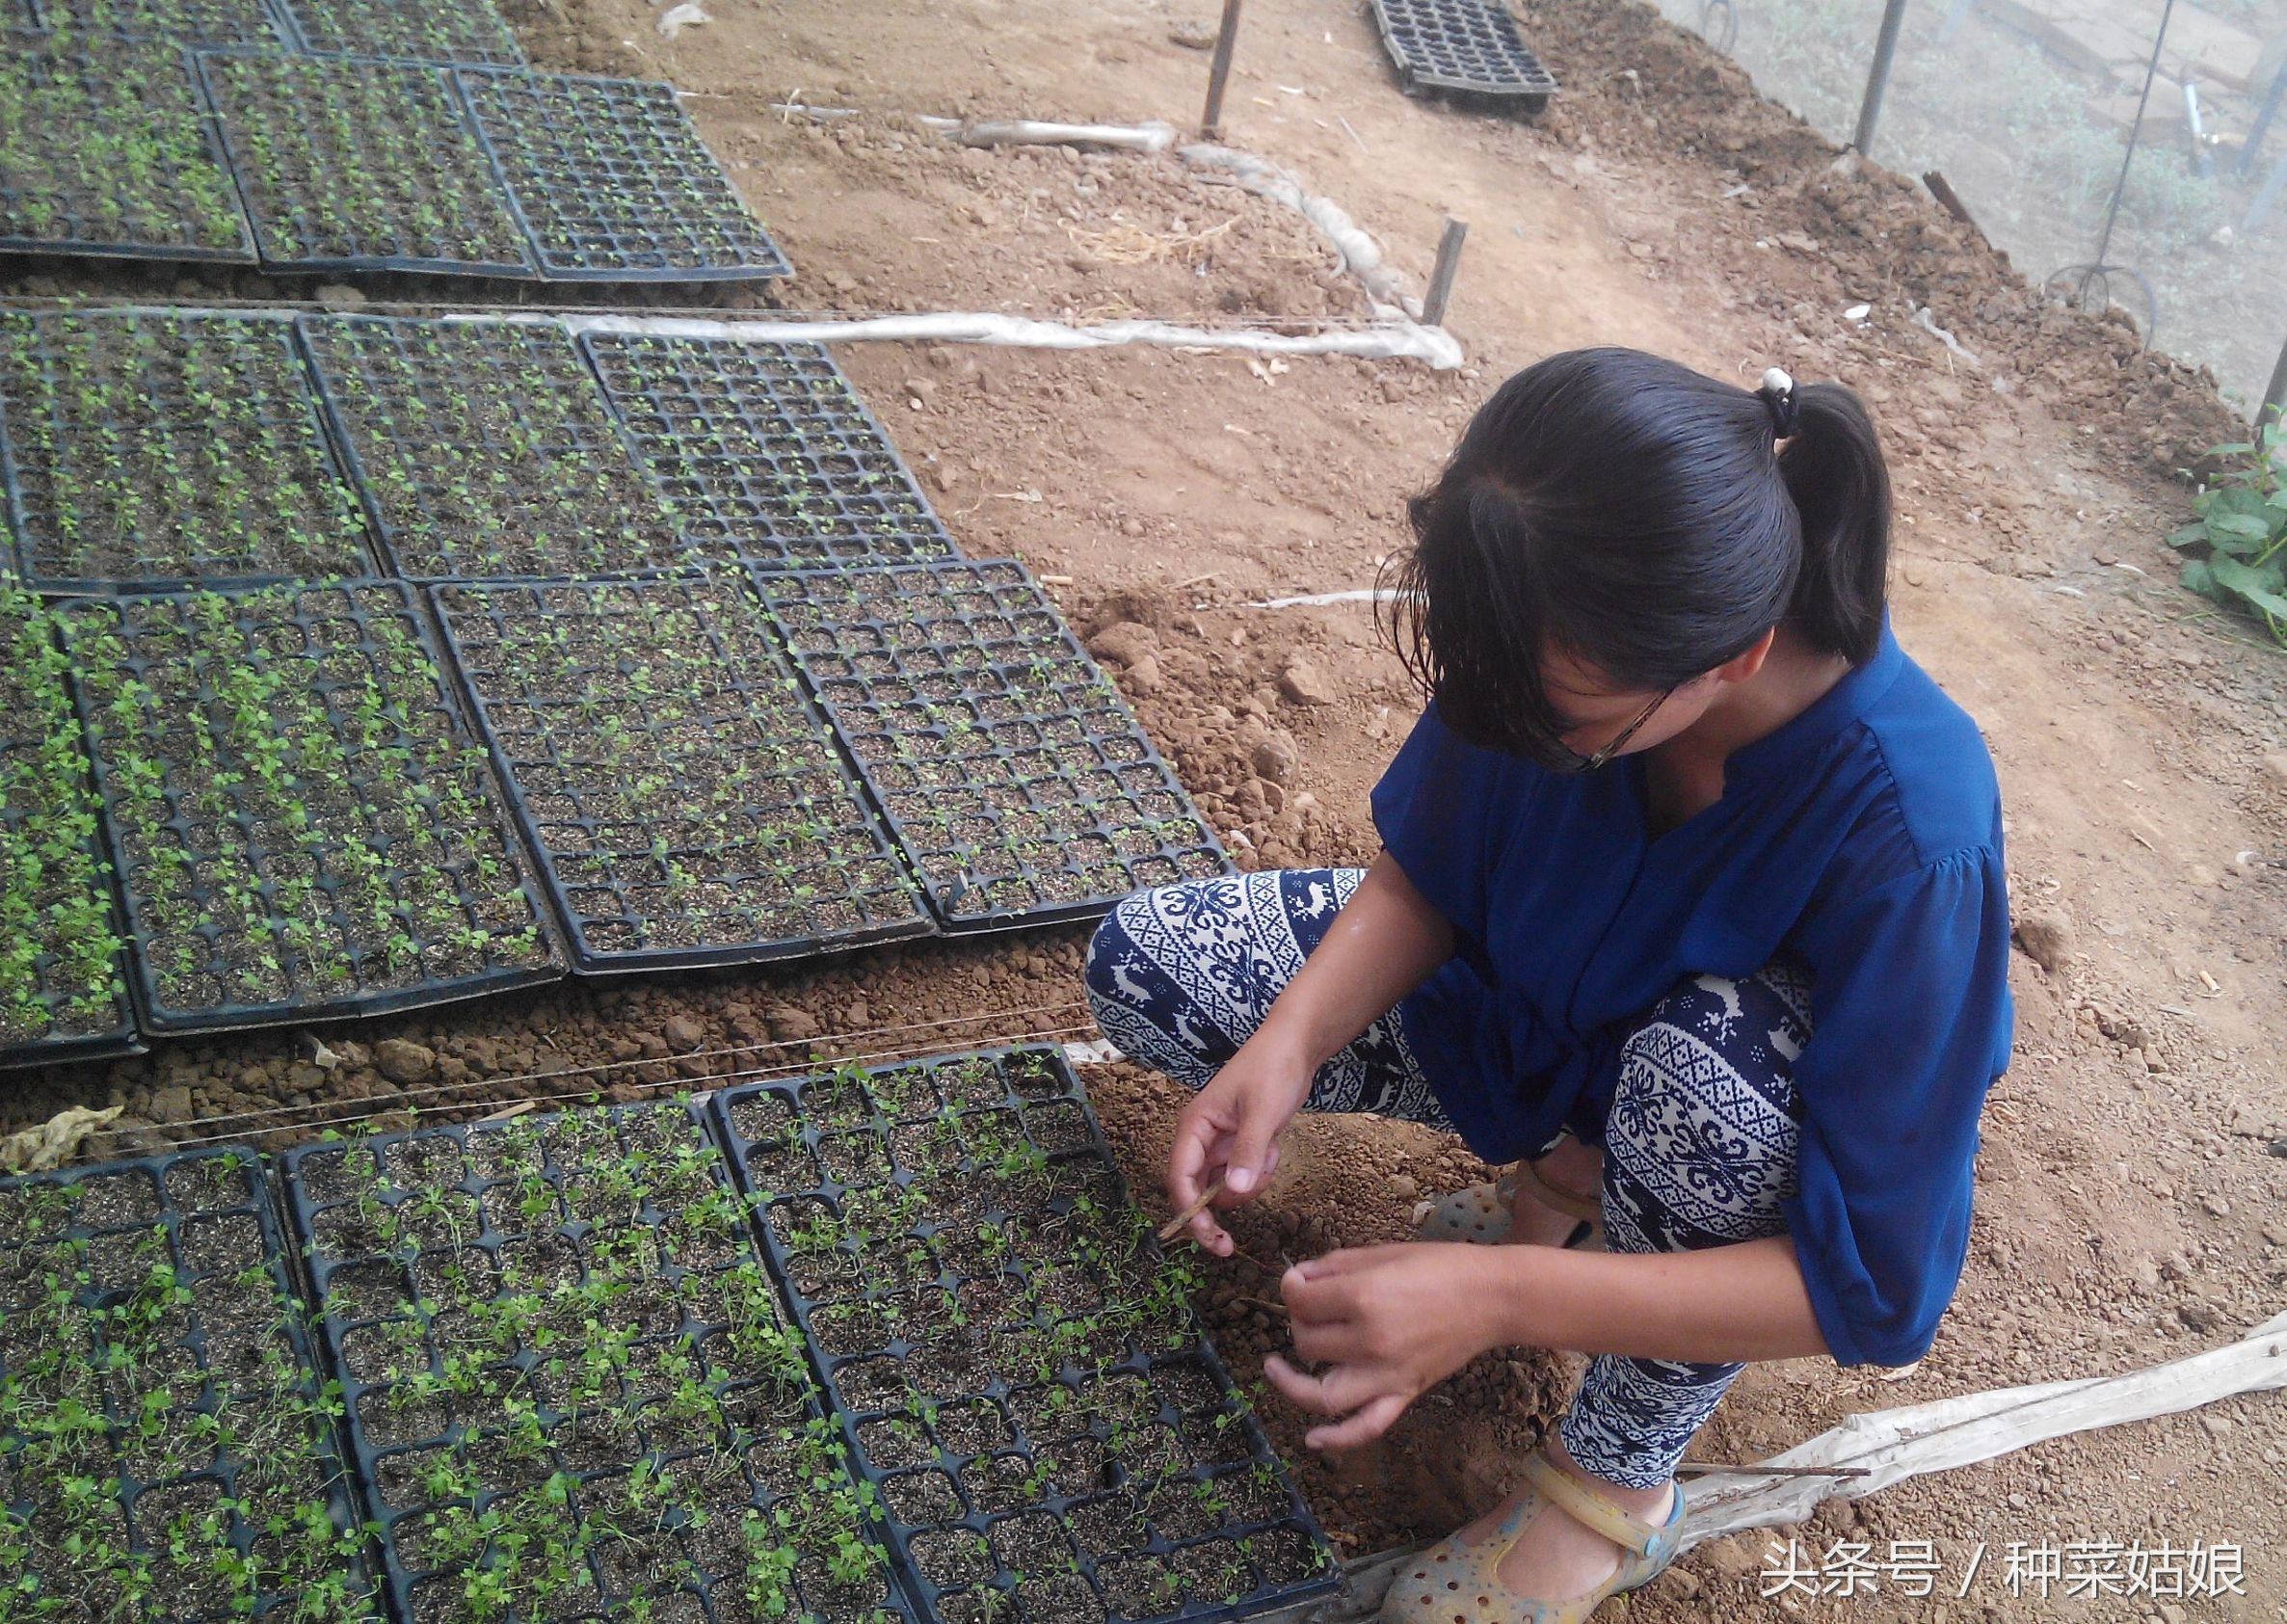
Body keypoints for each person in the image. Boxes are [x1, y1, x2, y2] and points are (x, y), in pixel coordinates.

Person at [1083, 347, 2014, 1622]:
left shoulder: (1914, 831)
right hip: (1525, 1020)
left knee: (1715, 1086)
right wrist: (1286, 1049)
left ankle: (1611, 1479)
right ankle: (1561, 1191)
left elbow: (1872, 1283)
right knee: (1151, 965)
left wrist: (1501, 1296)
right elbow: (1427, 876)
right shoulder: (1550, 624)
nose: (1515, 732)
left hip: (1701, 1124)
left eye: (1561, 724)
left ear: (1731, 659)